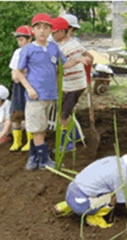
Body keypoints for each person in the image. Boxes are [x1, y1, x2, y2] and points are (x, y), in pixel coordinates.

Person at [15, 13, 86, 170]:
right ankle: (44, 159)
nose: (42, 31)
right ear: (33, 30)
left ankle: (34, 158)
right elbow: (18, 72)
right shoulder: (27, 49)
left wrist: (77, 60)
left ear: (51, 30)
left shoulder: (54, 48)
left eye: (46, 28)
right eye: (38, 27)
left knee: (41, 128)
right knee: (37, 128)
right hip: (35, 95)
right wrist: (29, 88)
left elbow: (63, 65)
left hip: (51, 94)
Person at [54, 147, 127, 228]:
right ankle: (93, 218)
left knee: (99, 188)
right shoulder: (123, 175)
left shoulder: (115, 160)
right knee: (114, 196)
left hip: (72, 191)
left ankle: (66, 205)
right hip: (81, 203)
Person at [51, 17, 93, 152]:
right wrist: (86, 59)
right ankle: (75, 136)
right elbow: (88, 55)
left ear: (62, 31)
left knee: (63, 116)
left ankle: (68, 144)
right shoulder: (74, 43)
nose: (52, 35)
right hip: (74, 84)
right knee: (66, 113)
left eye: (54, 33)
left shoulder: (65, 47)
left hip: (73, 86)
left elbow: (57, 68)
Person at [9, 25, 34, 152]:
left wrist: (21, 74)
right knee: (16, 113)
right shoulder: (17, 53)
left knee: (30, 114)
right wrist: (18, 75)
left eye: (22, 39)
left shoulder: (36, 52)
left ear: (29, 39)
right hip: (18, 87)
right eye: (18, 40)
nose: (19, 42)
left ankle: (30, 141)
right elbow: (15, 73)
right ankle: (17, 141)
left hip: (31, 87)